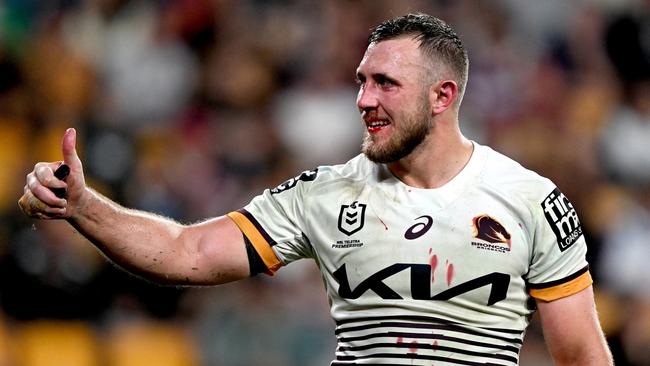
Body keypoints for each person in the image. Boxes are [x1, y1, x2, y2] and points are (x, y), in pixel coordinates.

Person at [19, 13, 612, 365]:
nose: (364, 99)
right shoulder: (323, 195)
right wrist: (84, 208)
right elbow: (187, 252)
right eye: (361, 82)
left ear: (443, 96)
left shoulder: (530, 199)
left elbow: (582, 356)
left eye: (386, 84)